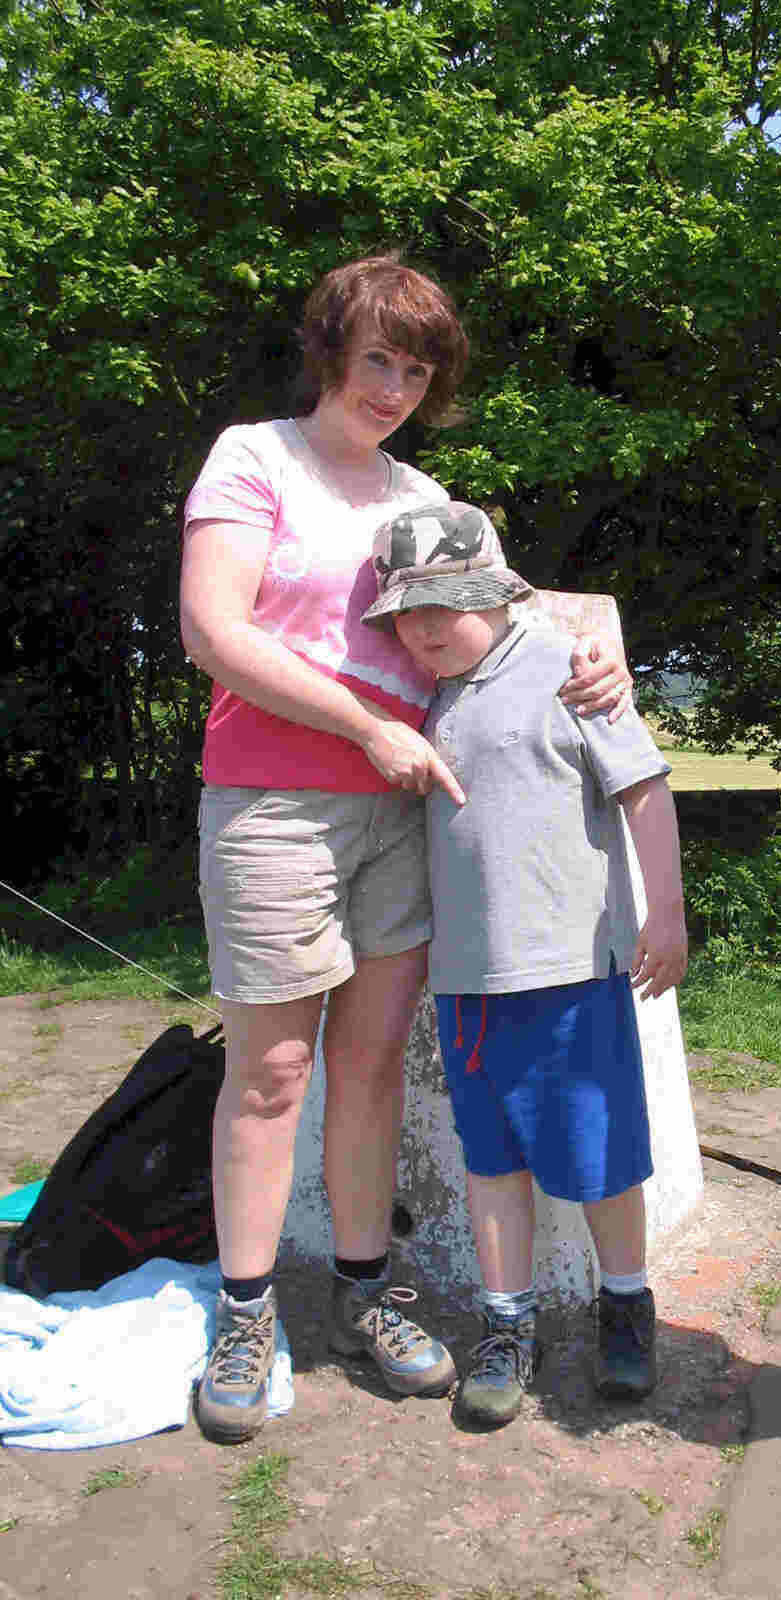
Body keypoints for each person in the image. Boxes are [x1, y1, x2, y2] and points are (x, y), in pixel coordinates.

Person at [179, 253, 631, 1444]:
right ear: (332, 346)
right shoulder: (253, 457)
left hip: (409, 808)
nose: (394, 385)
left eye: (418, 367)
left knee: (371, 1064)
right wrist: (369, 724)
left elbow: (524, 609)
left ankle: (364, 1296)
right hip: (275, 803)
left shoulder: (422, 489)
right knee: (273, 1072)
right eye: (378, 356)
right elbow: (212, 630)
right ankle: (245, 1309)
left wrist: (606, 650)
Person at [359, 500, 688, 1428]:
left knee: (602, 1161)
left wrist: (666, 913)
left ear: (499, 594)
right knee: (492, 1160)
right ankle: (509, 1325)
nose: (424, 628)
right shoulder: (426, 694)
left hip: (574, 974)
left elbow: (646, 789)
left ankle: (625, 1303)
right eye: (407, 612)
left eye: (447, 604)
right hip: (467, 985)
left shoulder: (566, 672)